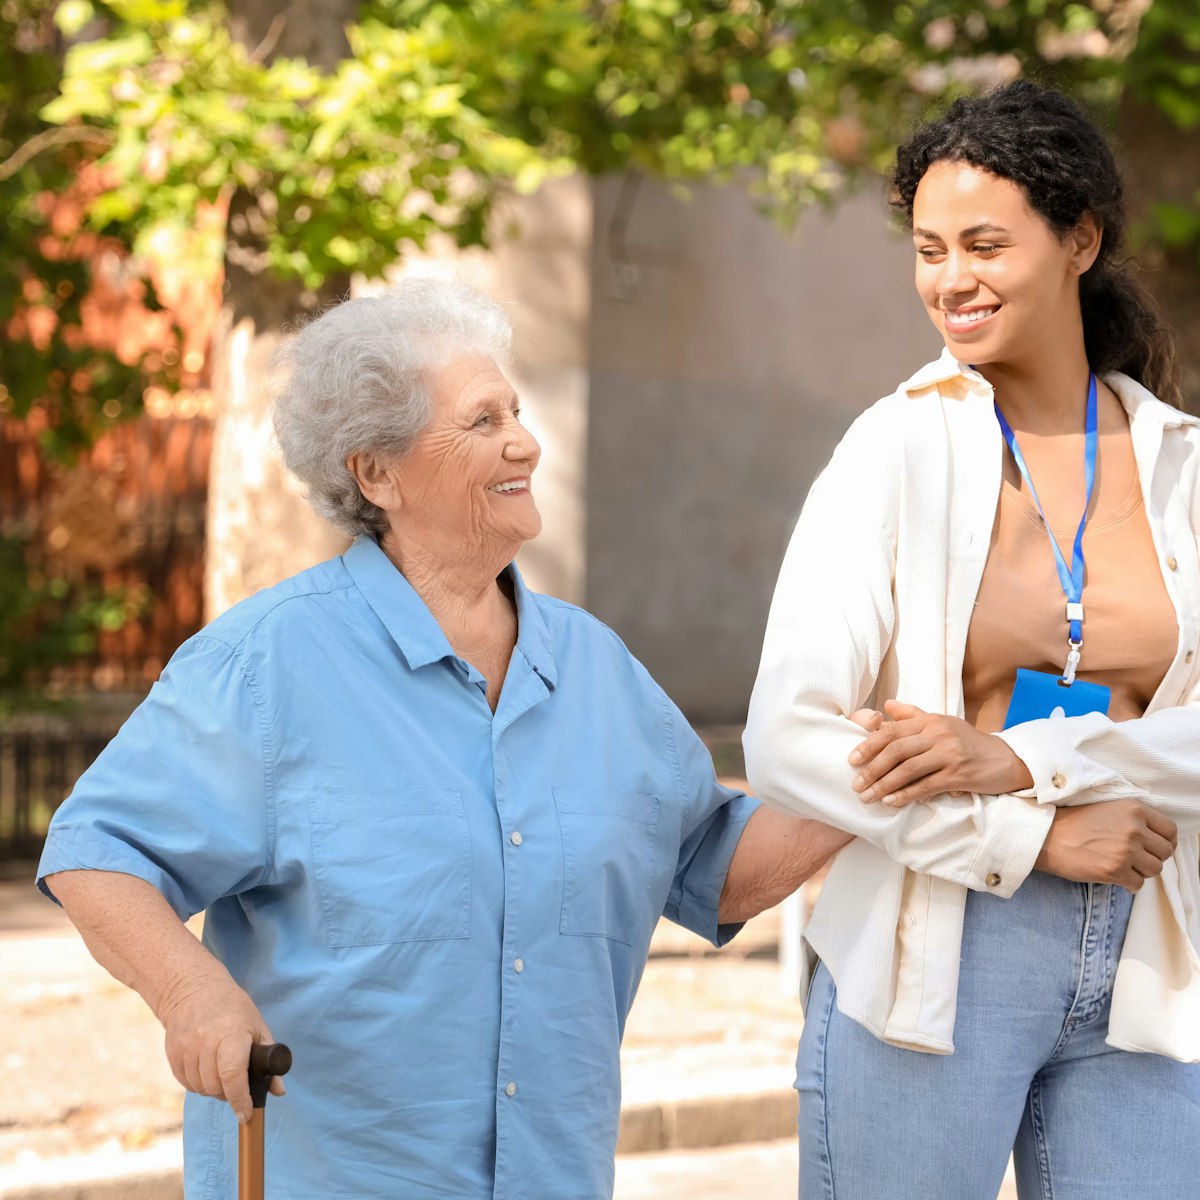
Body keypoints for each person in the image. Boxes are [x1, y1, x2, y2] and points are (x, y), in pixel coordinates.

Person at [36, 278, 857, 1200]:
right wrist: (190, 992)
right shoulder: (268, 665)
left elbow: (714, 865)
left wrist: (875, 782)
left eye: (515, 411)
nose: (525, 442)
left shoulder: (594, 667)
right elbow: (98, 852)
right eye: (480, 422)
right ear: (377, 474)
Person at [743, 80, 1200, 1200]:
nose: (952, 280)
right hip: (935, 952)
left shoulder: (1185, 467)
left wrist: (1017, 759)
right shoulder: (893, 449)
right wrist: (1031, 837)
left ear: (1080, 240)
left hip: (1152, 959)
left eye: (986, 245)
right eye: (930, 248)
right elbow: (788, 737)